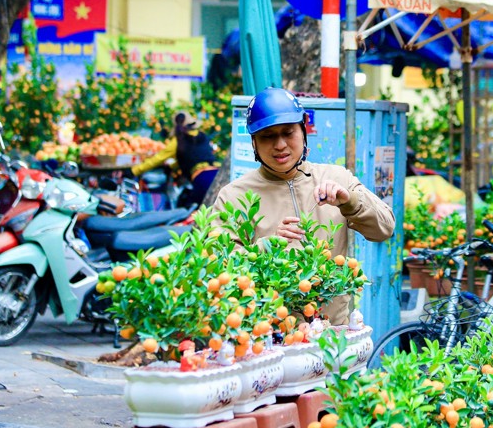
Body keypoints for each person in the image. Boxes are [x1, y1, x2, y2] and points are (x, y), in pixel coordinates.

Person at [213, 88, 395, 324]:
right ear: (254, 142)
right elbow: (217, 267)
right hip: (269, 337)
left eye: (288, 133)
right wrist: (265, 249)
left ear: (303, 129)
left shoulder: (336, 178)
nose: (280, 145)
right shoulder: (234, 196)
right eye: (268, 136)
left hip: (333, 332)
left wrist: (350, 201)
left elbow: (385, 228)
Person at [132, 111, 219, 208]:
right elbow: (192, 157)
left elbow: (157, 159)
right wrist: (173, 166)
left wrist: (134, 171)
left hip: (202, 179)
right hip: (217, 174)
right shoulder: (202, 136)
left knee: (193, 213)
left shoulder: (178, 140)